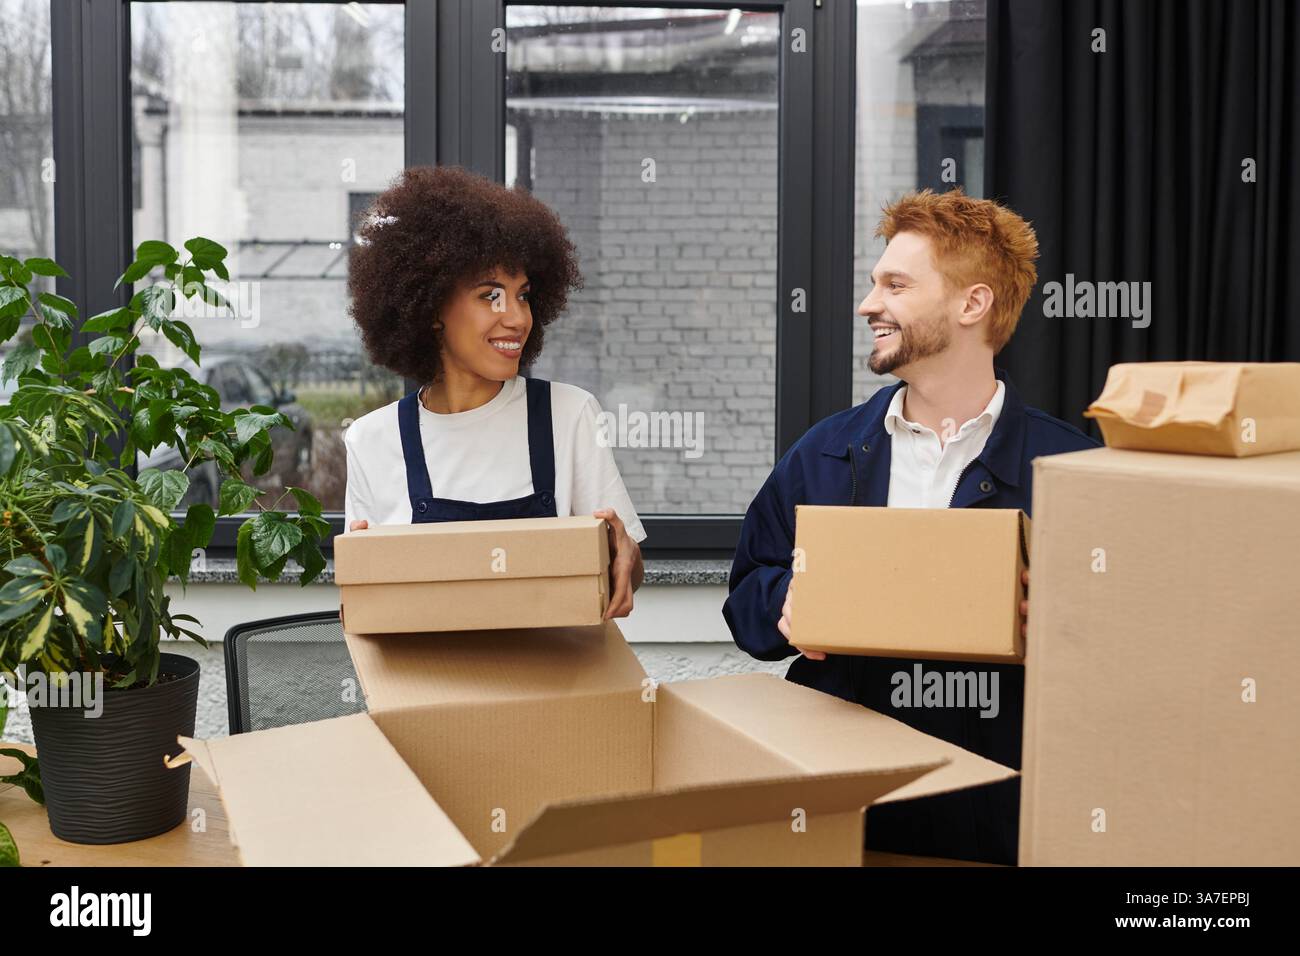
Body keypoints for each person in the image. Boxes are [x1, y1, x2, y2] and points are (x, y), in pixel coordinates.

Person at [723, 188, 1099, 864]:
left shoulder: (1072, 469)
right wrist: (788, 604)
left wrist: (1060, 623)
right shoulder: (825, 451)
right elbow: (747, 593)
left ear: (971, 304)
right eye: (874, 285)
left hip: (998, 818)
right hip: (845, 812)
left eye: (895, 285)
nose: (869, 305)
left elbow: (1133, 647)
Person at [342, 166, 645, 618]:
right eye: (490, 296)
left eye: (522, 295)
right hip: (432, 684)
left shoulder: (568, 415)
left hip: (558, 678)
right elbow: (364, 603)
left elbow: (628, 570)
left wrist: (625, 557)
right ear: (430, 308)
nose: (518, 318)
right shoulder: (372, 440)